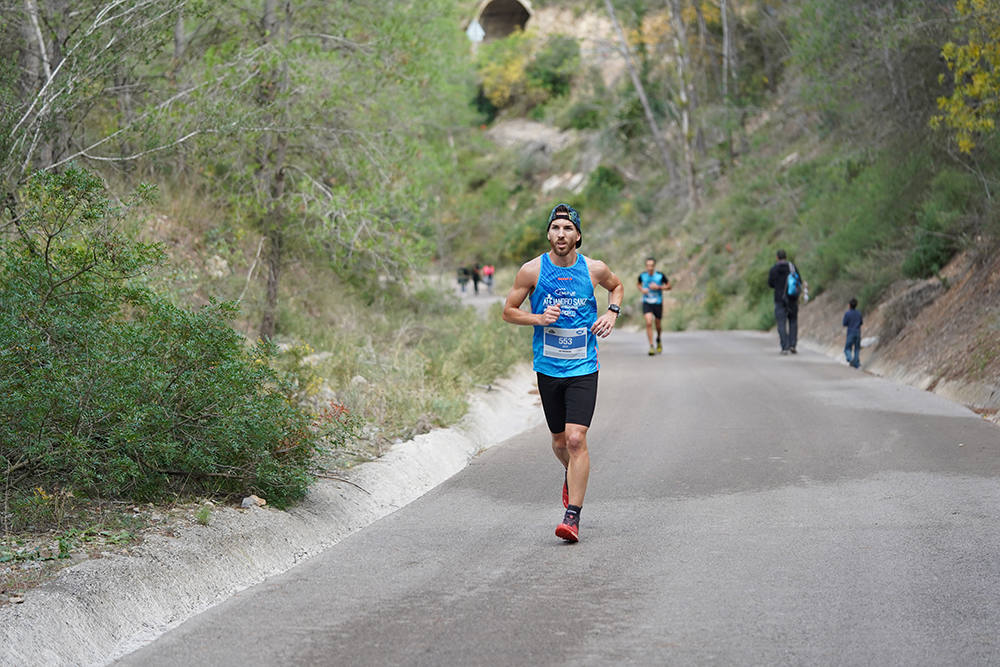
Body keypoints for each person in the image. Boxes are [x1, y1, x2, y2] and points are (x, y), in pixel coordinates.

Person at [502, 203, 624, 543]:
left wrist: (611, 314)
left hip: (584, 366)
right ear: (548, 234)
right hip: (548, 367)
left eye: (568, 229)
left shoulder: (595, 269)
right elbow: (509, 312)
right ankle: (572, 474)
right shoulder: (532, 271)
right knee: (558, 442)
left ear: (578, 236)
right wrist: (538, 318)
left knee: (575, 439)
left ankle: (572, 517)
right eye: (555, 228)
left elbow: (617, 287)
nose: (561, 234)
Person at [767, 249, 803, 355]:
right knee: (793, 321)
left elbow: (770, 284)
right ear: (786, 257)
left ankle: (785, 346)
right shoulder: (792, 267)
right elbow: (799, 281)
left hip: (779, 299)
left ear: (777, 257)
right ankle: (793, 344)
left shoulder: (774, 269)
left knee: (781, 323)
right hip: (792, 298)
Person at [637, 257, 671, 356]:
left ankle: (658, 339)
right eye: (648, 265)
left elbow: (669, 286)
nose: (649, 268)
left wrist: (659, 287)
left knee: (658, 325)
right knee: (648, 322)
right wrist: (642, 290)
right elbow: (638, 284)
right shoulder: (642, 276)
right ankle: (651, 346)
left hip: (658, 303)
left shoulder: (660, 276)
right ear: (646, 266)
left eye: (651, 266)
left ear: (654, 266)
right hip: (647, 302)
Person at [843, 298, 863, 368]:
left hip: (850, 332)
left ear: (849, 305)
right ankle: (856, 364)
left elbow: (844, 323)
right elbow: (861, 323)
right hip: (858, 332)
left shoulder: (847, 313)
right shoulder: (859, 313)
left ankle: (850, 359)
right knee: (857, 349)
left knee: (847, 349)